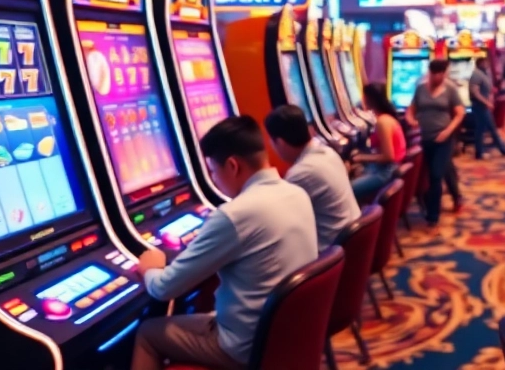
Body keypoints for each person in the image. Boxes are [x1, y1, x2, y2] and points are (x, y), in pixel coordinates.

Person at [132, 117, 318, 370]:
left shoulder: (236, 215)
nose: (214, 179)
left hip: (245, 347)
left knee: (147, 333)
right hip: (290, 336)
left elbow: (164, 288)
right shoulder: (297, 193)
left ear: (232, 165)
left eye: (212, 171)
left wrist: (151, 267)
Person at [264, 105, 361, 248]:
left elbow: (278, 225)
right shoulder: (328, 152)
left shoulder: (301, 173)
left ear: (280, 142)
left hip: (333, 251)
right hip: (354, 238)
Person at [406, 59, 466, 226]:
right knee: (429, 175)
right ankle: (449, 198)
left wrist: (448, 131)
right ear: (430, 72)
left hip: (443, 140)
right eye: (435, 73)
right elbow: (411, 110)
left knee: (436, 175)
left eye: (441, 73)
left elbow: (460, 113)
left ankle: (433, 217)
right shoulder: (420, 89)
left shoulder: (450, 89)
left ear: (445, 73)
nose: (438, 77)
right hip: (423, 139)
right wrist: (411, 120)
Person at [351, 83, 409, 204]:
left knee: (347, 190)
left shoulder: (383, 122)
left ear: (368, 99)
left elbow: (388, 156)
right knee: (353, 174)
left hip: (385, 171)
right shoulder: (386, 118)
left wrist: (361, 157)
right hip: (387, 168)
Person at [470, 56, 505, 158]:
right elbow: (475, 92)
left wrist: (491, 90)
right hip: (480, 106)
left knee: (483, 129)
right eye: (485, 63)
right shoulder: (477, 74)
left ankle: (480, 152)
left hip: (483, 106)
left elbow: (484, 88)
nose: (487, 64)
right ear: (480, 63)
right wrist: (486, 102)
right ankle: (502, 150)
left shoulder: (483, 74)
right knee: (488, 129)